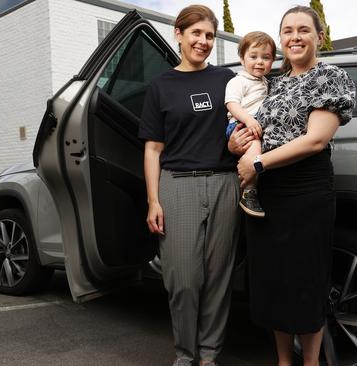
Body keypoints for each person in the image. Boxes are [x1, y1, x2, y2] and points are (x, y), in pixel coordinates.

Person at [231, 6, 356, 366]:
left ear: (320, 35)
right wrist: (236, 145)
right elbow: (252, 130)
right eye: (287, 31)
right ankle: (284, 361)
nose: (294, 37)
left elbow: (315, 141)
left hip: (306, 190)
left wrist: (256, 163)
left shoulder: (329, 77)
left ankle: (311, 362)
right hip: (266, 194)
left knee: (305, 281)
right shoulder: (275, 82)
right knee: (273, 283)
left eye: (303, 30)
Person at [138, 5, 240, 366]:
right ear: (178, 35)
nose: (203, 41)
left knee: (217, 277)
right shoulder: (160, 86)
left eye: (209, 35)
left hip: (225, 184)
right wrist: (153, 200)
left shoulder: (227, 80)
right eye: (196, 33)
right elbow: (152, 149)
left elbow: (243, 124)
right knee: (182, 279)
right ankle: (185, 354)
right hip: (177, 186)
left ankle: (209, 354)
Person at [224, 31, 276, 217]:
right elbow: (231, 104)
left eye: (266, 57)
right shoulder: (238, 81)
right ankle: (248, 191)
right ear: (242, 59)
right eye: (253, 56)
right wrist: (248, 119)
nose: (259, 61)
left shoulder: (265, 82)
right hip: (240, 125)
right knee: (255, 151)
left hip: (253, 125)